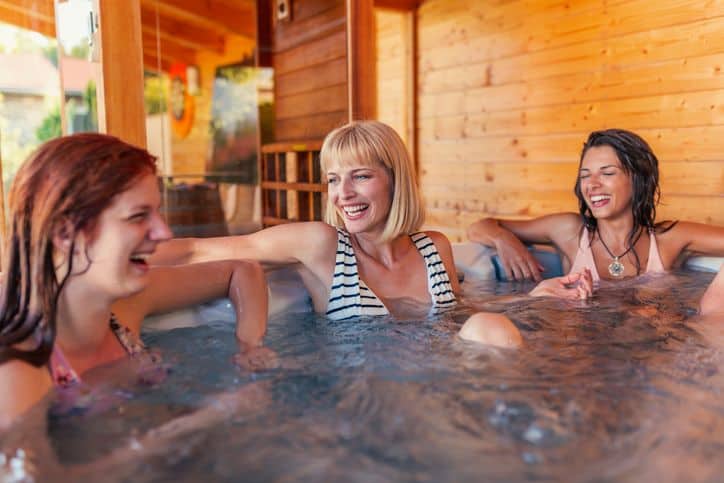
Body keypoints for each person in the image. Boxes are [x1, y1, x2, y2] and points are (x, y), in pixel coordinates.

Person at [151, 121, 591, 348]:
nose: (343, 195)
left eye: (360, 177)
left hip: (439, 385)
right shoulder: (322, 245)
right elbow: (194, 250)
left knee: (488, 325)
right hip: (365, 403)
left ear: (395, 180)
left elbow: (458, 315)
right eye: (333, 180)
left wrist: (534, 299)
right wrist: (114, 255)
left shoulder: (433, 247)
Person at [0, 134, 269, 428]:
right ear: (65, 233)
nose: (163, 232)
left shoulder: (126, 303)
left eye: (157, 212)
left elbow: (241, 270)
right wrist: (209, 417)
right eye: (138, 216)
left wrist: (250, 346)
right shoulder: (18, 369)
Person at [467, 128, 724, 283]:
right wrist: (504, 240)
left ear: (637, 179)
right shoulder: (570, 231)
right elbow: (479, 228)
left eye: (607, 173)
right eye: (585, 175)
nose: (592, 184)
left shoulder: (669, 238)